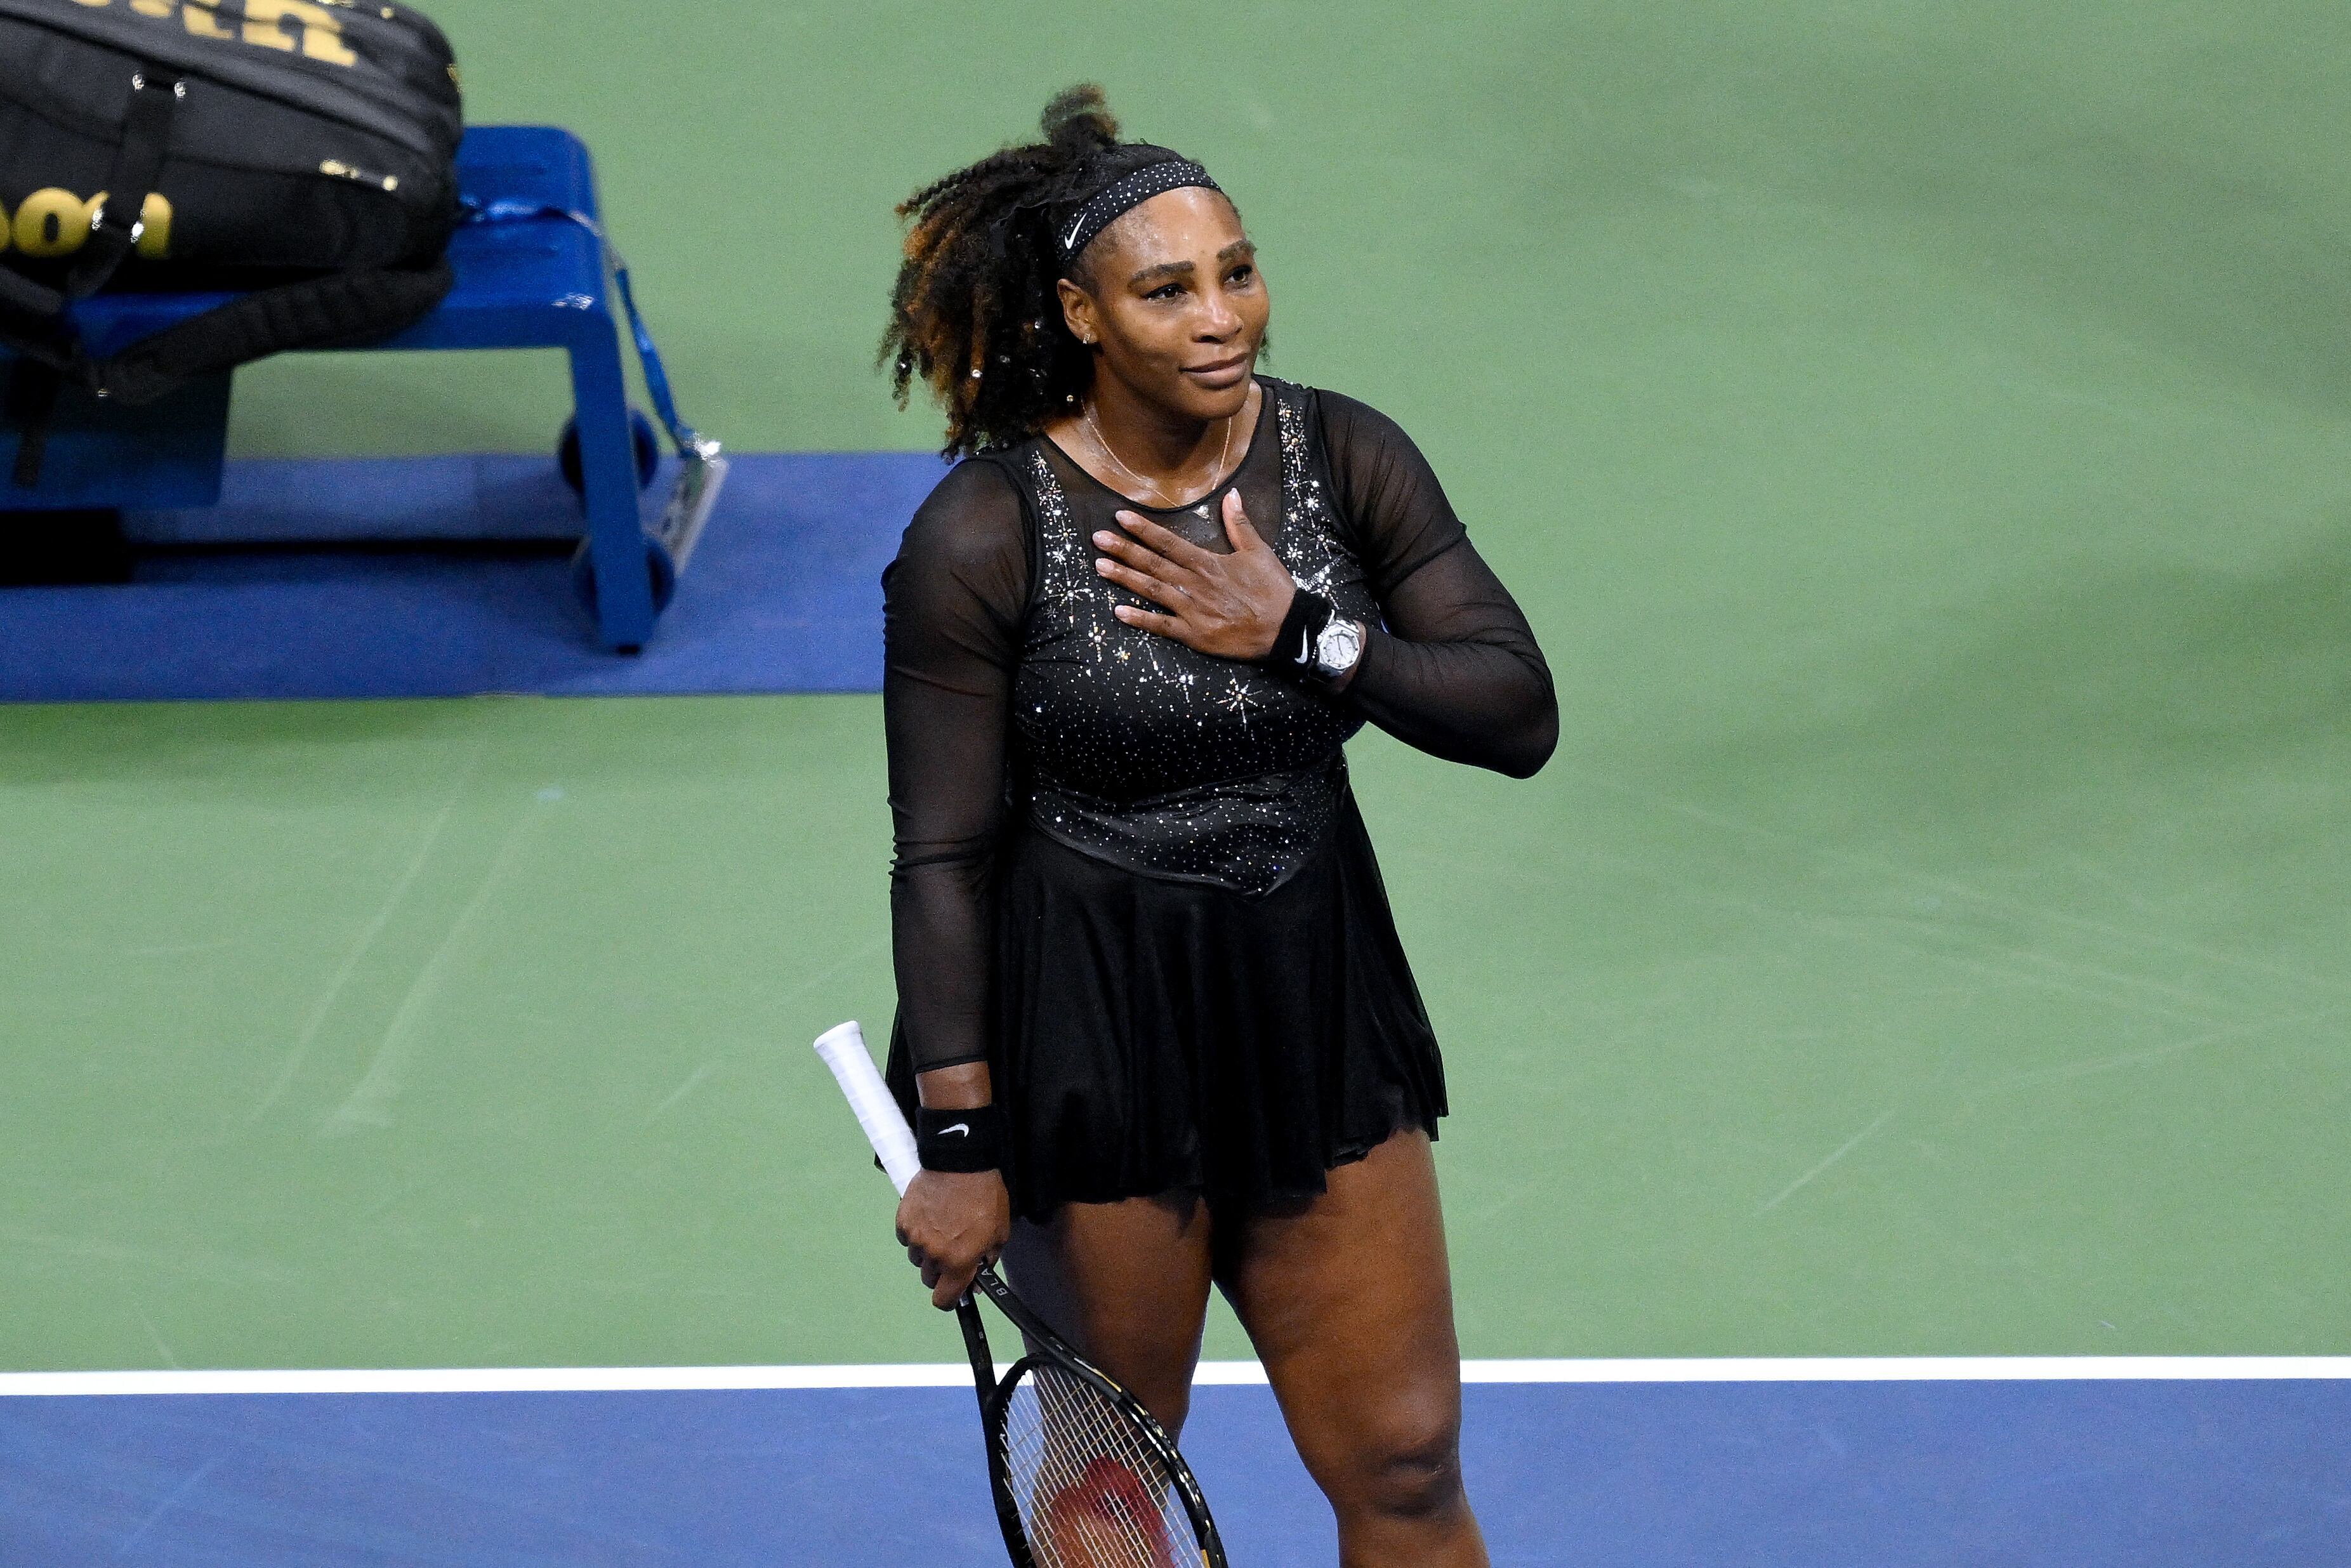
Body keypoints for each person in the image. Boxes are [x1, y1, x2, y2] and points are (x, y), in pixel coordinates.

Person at [879, 85, 1556, 1566]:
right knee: (1111, 1492)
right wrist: (962, 1138)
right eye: (1166, 288)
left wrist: (1301, 636)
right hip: (1094, 1031)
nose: (1219, 316)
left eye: (1235, 271)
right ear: (1079, 312)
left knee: (1405, 1455)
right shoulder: (984, 535)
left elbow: (1514, 714)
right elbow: (939, 857)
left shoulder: (1342, 457)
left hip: (1311, 1001)